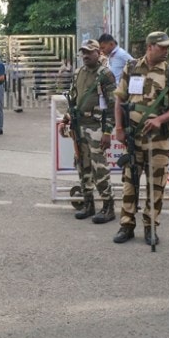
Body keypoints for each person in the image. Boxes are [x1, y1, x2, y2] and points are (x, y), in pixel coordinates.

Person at [112, 32, 169, 244]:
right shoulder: (132, 67)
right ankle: (126, 225)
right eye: (162, 47)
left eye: (168, 47)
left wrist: (160, 120)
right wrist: (118, 127)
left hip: (158, 139)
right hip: (133, 137)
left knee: (157, 185)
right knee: (130, 182)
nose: (166, 50)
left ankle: (151, 226)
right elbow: (120, 99)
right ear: (150, 46)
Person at [60, 39, 118, 224]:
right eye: (83, 52)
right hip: (79, 125)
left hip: (96, 127)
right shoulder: (79, 73)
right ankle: (88, 203)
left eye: (89, 52)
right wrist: (66, 119)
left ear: (98, 53)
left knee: (99, 167)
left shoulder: (105, 75)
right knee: (82, 165)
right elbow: (74, 100)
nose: (85, 55)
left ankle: (108, 207)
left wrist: (108, 132)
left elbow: (112, 106)